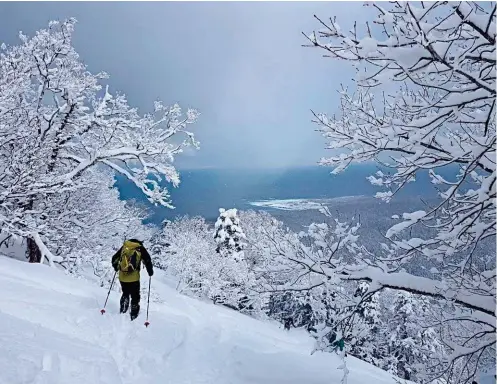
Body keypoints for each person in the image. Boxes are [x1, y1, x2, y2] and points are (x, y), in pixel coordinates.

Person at [111, 239, 154, 321]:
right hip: (134, 278)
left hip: (122, 277)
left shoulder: (125, 247)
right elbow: (148, 260)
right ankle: (134, 314)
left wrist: (116, 268)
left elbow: (114, 258)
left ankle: (123, 307)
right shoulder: (140, 248)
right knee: (135, 295)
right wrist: (150, 272)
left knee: (125, 292)